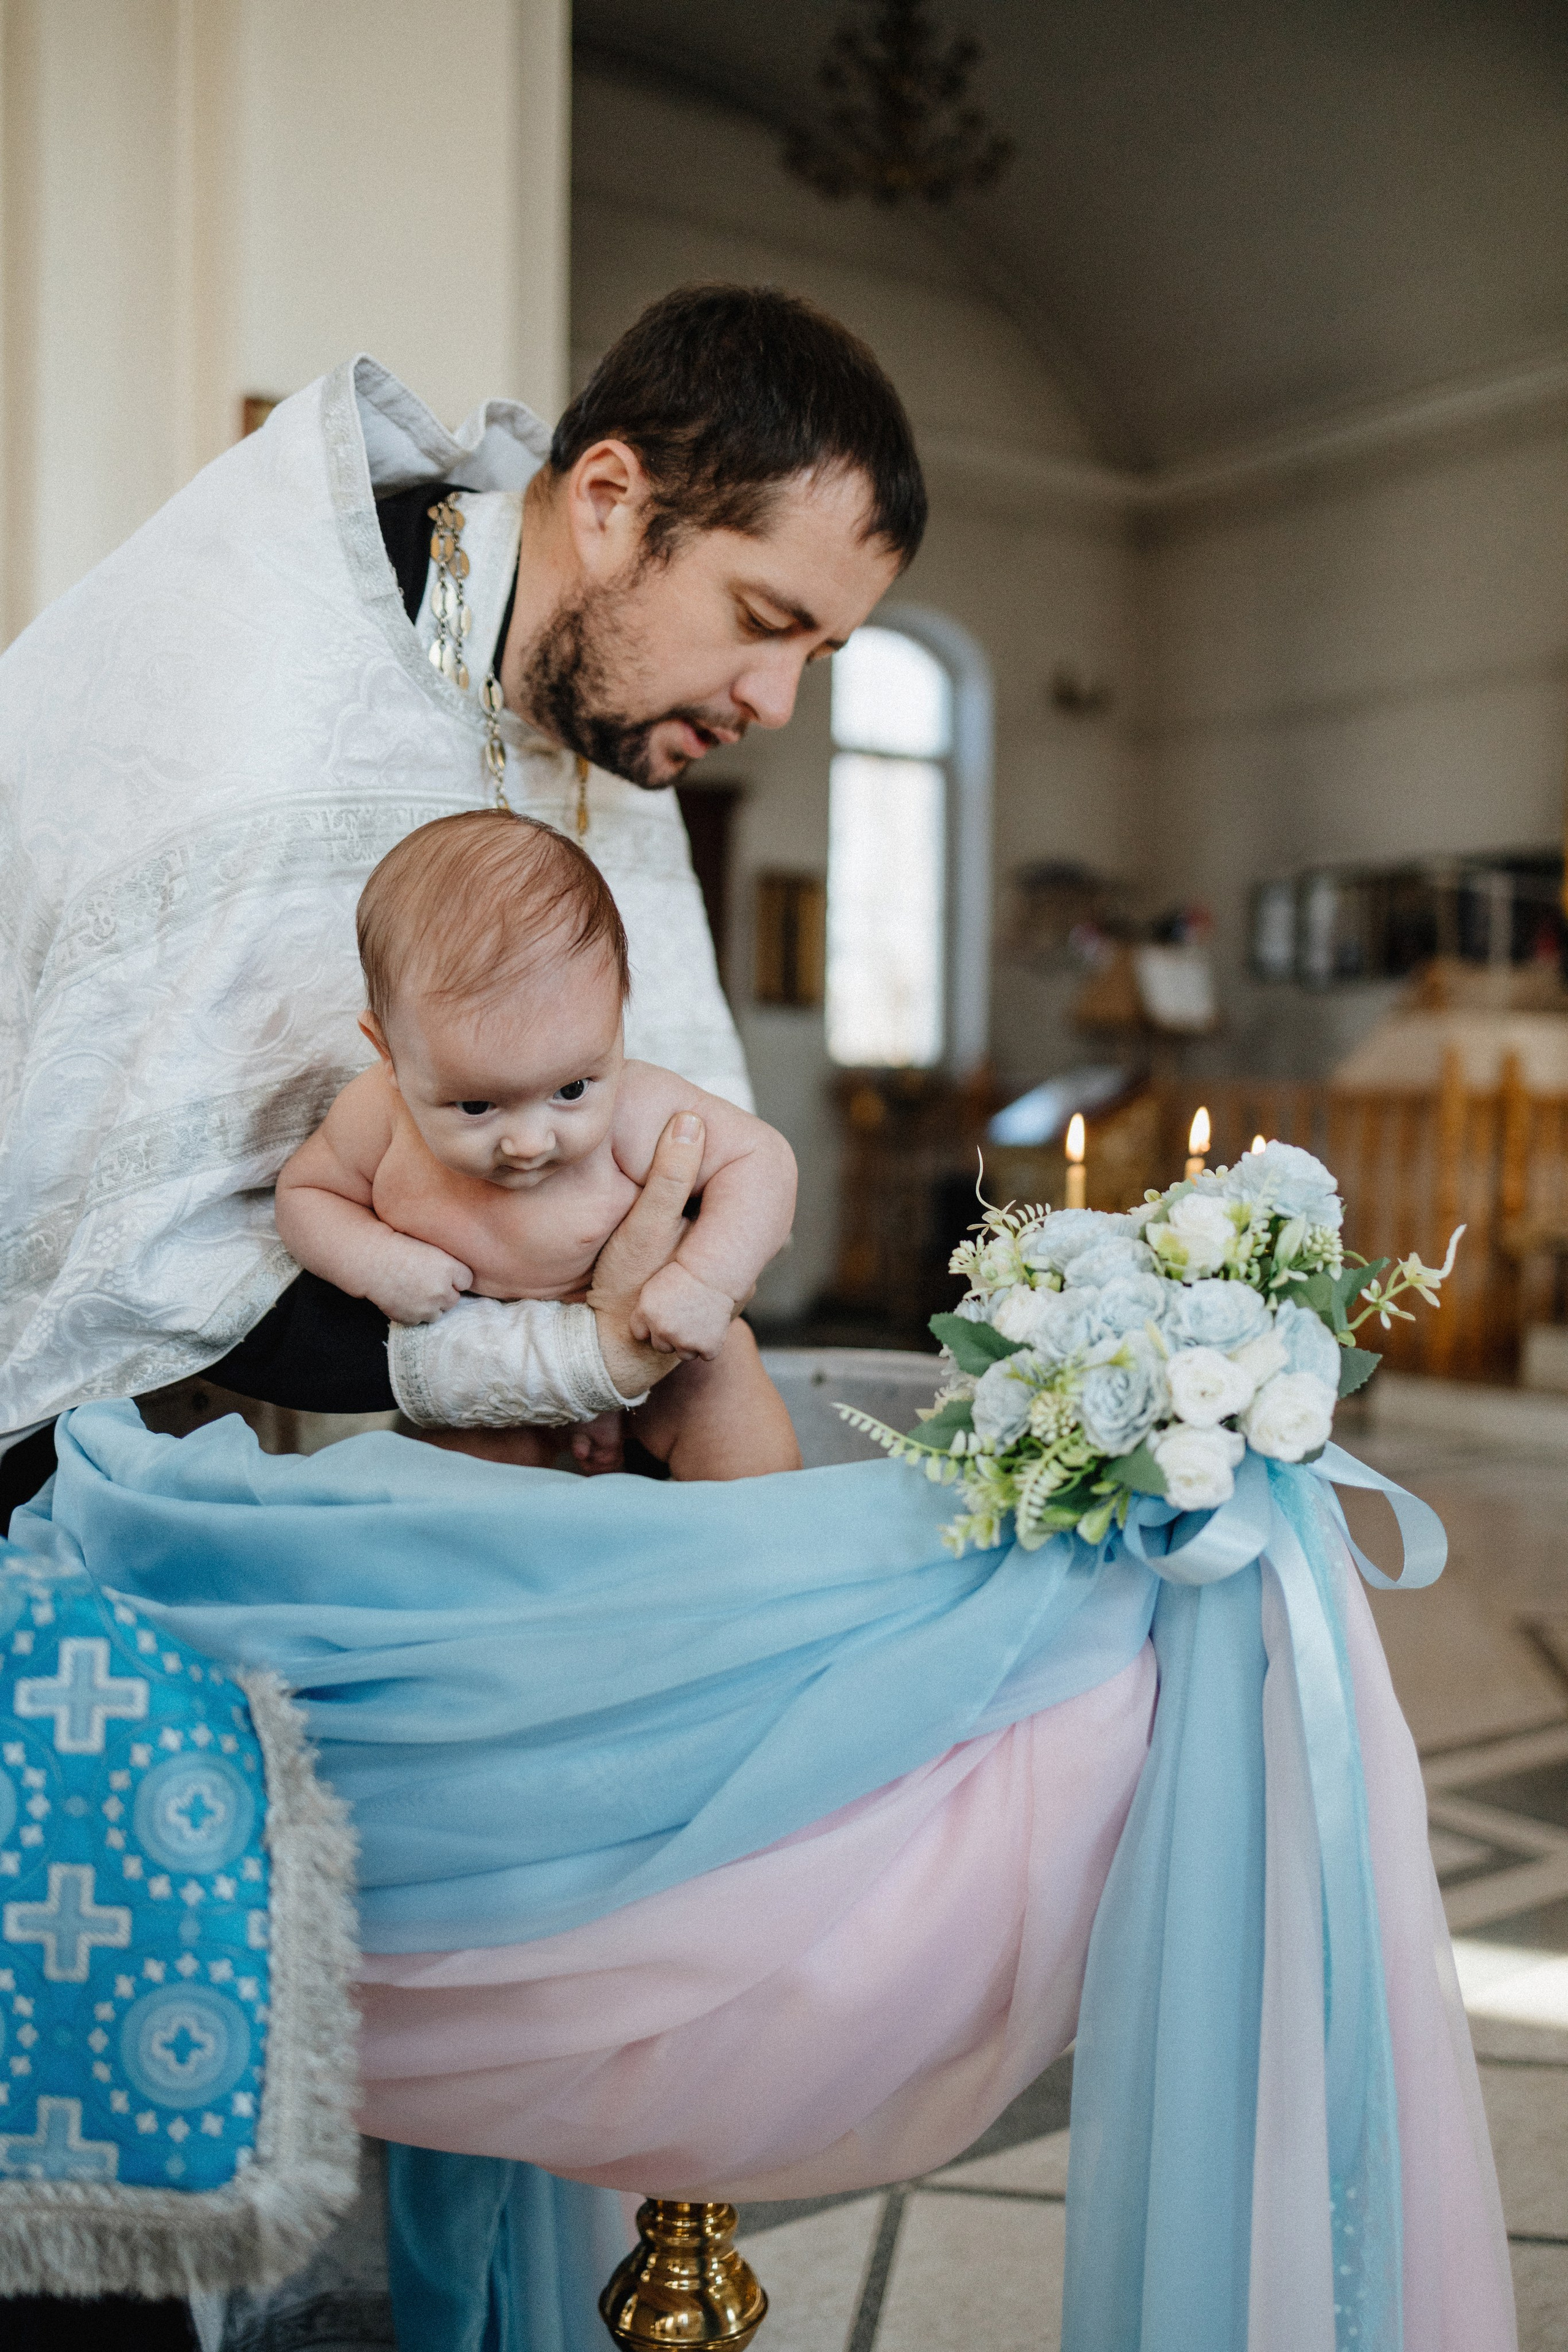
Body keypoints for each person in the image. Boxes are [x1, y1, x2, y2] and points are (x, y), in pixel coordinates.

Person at [0, 282, 924, 2348]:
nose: (781, 700)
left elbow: (642, 1151)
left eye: (827, 654)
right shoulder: (267, 695)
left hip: (351, 1531)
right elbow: (125, 1256)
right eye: (768, 617)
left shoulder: (576, 732)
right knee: (96, 2205)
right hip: (58, 1515)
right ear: (610, 500)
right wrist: (552, 1360)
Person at [277, 810, 801, 1481]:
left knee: (729, 1412)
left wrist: (703, 1281)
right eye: (475, 1105)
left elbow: (761, 1161)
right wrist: (373, 1260)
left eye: (573, 1089)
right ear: (388, 1052)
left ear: (616, 1020)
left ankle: (750, 1561)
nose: (528, 1143)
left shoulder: (638, 1107)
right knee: (450, 1503)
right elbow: (305, 1194)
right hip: (493, 1381)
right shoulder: (376, 1118)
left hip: (662, 1350)